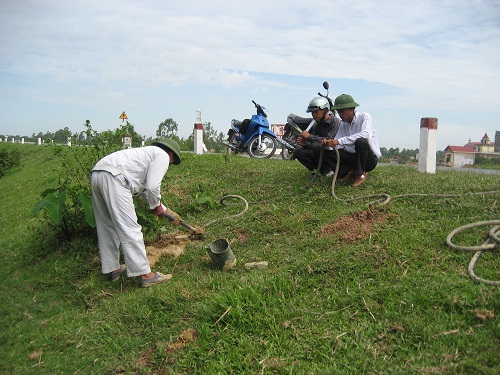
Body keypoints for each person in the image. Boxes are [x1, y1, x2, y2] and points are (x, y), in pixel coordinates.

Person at [90, 139, 183, 287]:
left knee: (106, 225)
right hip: (116, 178)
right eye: (171, 163)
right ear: (171, 154)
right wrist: (156, 206)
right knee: (130, 228)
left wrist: (163, 209)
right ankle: (146, 275)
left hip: (98, 173)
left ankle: (112, 269)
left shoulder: (144, 155)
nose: (169, 165)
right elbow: (153, 187)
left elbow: (146, 189)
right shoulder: (162, 155)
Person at [320, 94, 381, 187]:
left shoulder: (365, 117)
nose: (340, 114)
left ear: (352, 108)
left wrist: (339, 141)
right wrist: (328, 144)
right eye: (338, 111)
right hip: (354, 158)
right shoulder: (343, 125)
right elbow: (337, 143)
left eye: (342, 111)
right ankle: (349, 171)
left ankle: (361, 174)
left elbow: (366, 135)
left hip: (369, 159)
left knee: (361, 141)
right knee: (329, 152)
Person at [293, 97, 341, 177]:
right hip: (321, 152)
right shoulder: (318, 125)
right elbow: (313, 143)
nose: (313, 115)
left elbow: (329, 140)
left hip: (335, 154)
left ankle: (331, 170)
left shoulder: (335, 122)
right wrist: (305, 144)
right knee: (298, 152)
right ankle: (323, 171)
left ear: (325, 110)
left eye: (316, 112)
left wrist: (309, 136)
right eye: (312, 113)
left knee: (316, 145)